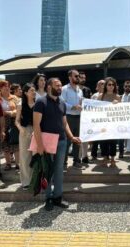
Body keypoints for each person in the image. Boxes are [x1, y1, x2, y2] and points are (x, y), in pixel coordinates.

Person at [33, 77, 81, 211]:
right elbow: (36, 125)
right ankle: (48, 197)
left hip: (61, 141)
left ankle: (57, 197)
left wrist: (71, 137)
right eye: (57, 85)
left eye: (60, 85)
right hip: (46, 141)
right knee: (48, 171)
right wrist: (40, 145)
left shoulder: (62, 103)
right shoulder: (40, 102)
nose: (60, 88)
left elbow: (64, 123)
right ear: (49, 87)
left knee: (59, 171)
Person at [15, 83, 36, 190]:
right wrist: (21, 129)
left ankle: (36, 180)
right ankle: (26, 181)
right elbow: (17, 121)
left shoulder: (38, 104)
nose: (34, 92)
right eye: (32, 90)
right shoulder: (20, 104)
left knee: (36, 156)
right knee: (25, 156)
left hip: (37, 131)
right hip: (25, 131)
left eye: (34, 90)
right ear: (26, 92)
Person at [0, 80, 20, 171]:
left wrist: (9, 112)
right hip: (2, 122)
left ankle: (18, 164)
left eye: (8, 87)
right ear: (0, 88)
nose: (7, 89)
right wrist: (3, 113)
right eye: (4, 87)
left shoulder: (15, 98)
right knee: (5, 143)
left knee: (16, 142)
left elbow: (19, 110)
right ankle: (8, 164)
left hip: (13, 122)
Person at [62, 69, 83, 169]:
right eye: (76, 76)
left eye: (78, 76)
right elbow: (62, 103)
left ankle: (76, 161)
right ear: (70, 77)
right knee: (67, 141)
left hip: (78, 117)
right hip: (68, 117)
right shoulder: (64, 89)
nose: (78, 78)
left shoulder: (80, 90)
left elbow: (81, 103)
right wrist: (73, 107)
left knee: (77, 140)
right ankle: (64, 163)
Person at [97, 77, 121, 167]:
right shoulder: (100, 96)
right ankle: (105, 158)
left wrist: (117, 104)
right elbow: (96, 109)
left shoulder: (118, 97)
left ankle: (112, 159)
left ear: (115, 86)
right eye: (109, 84)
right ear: (106, 86)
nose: (111, 86)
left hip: (113, 124)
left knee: (113, 141)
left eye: (112, 85)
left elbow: (122, 111)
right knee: (103, 141)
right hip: (103, 123)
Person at [79, 71, 92, 164]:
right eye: (81, 77)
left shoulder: (87, 90)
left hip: (86, 116)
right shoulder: (75, 89)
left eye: (84, 78)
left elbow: (91, 102)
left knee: (86, 137)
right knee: (77, 137)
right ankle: (78, 156)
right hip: (76, 116)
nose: (83, 79)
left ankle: (85, 156)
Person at [91, 80, 105, 160]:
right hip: (96, 119)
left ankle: (104, 154)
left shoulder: (108, 95)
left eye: (104, 84)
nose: (103, 85)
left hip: (105, 120)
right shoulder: (94, 96)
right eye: (101, 84)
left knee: (104, 138)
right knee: (95, 138)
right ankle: (93, 154)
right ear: (98, 86)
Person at [118, 80, 130, 158]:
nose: (127, 88)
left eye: (129, 86)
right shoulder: (120, 97)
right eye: (126, 86)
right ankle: (121, 152)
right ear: (123, 87)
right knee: (121, 137)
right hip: (122, 120)